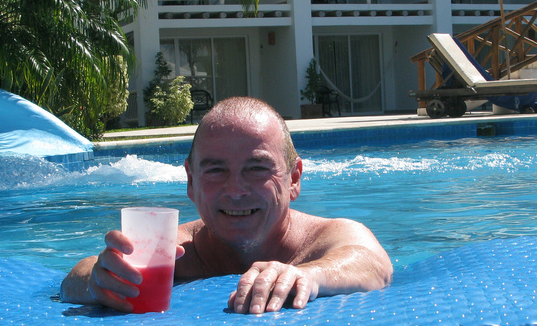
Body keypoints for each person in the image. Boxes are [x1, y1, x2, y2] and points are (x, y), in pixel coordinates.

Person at [60, 96, 393, 314]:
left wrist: (309, 275)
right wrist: (101, 280)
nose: (235, 190)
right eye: (216, 170)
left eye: (257, 168)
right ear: (191, 181)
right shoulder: (172, 252)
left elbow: (371, 262)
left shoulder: (324, 238)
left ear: (293, 178)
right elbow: (77, 275)